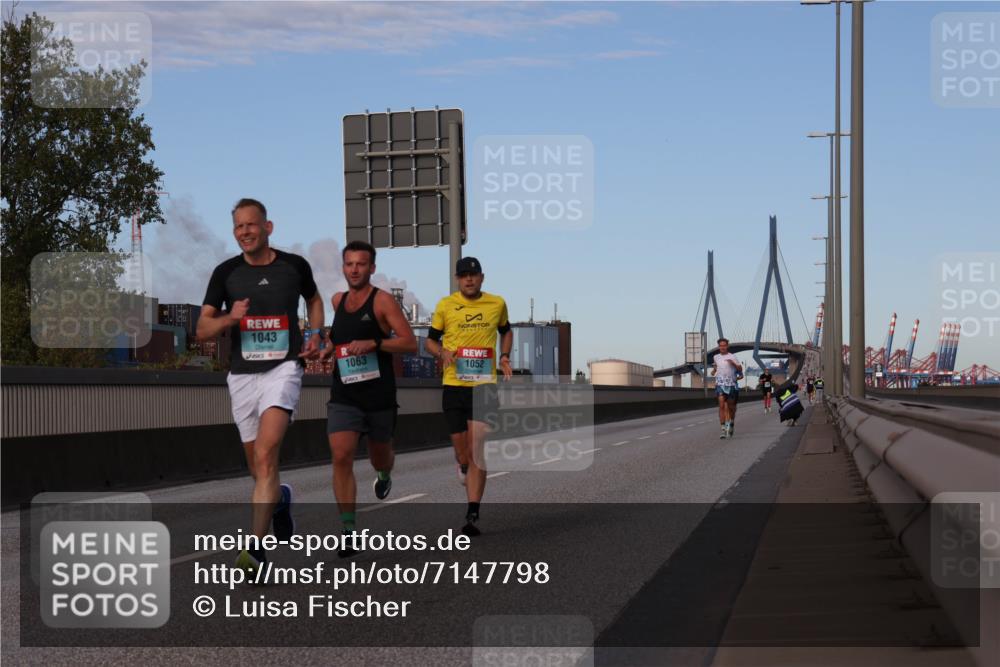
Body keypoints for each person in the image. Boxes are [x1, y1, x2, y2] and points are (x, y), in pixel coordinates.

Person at [197, 198, 324, 575]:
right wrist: (228, 318)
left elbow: (314, 301)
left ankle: (254, 551)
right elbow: (202, 328)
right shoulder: (225, 274)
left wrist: (315, 333)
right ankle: (281, 500)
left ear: (268, 227)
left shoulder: (294, 266)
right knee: (258, 469)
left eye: (251, 225)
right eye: (238, 227)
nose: (245, 232)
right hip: (241, 376)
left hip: (283, 369)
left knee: (267, 457)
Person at [319, 241, 416, 558]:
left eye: (361, 264)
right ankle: (348, 531)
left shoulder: (383, 302)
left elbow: (409, 343)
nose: (355, 269)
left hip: (378, 397)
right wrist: (327, 348)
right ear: (343, 267)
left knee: (380, 456)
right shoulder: (338, 300)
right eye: (349, 264)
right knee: (341, 455)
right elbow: (339, 337)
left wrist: (375, 342)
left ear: (372, 268)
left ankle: (384, 473)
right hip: (344, 394)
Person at [425, 257, 513, 537]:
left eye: (473, 275)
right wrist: (442, 353)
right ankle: (461, 463)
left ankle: (472, 511)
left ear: (482, 277)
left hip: (484, 384)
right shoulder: (445, 305)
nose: (469, 280)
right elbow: (429, 341)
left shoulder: (496, 303)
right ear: (457, 279)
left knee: (477, 447)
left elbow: (506, 331)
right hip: (453, 384)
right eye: (464, 276)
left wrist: (505, 355)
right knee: (462, 450)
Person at [711, 337, 743, 439]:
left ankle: (732, 422)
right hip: (720, 384)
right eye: (721, 346)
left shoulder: (733, 356)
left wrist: (733, 363)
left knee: (731, 407)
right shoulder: (716, 357)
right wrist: (714, 370)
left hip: (731, 385)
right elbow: (716, 367)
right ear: (719, 347)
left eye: (724, 345)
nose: (722, 347)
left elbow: (740, 368)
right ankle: (723, 429)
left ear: (727, 346)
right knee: (721, 405)